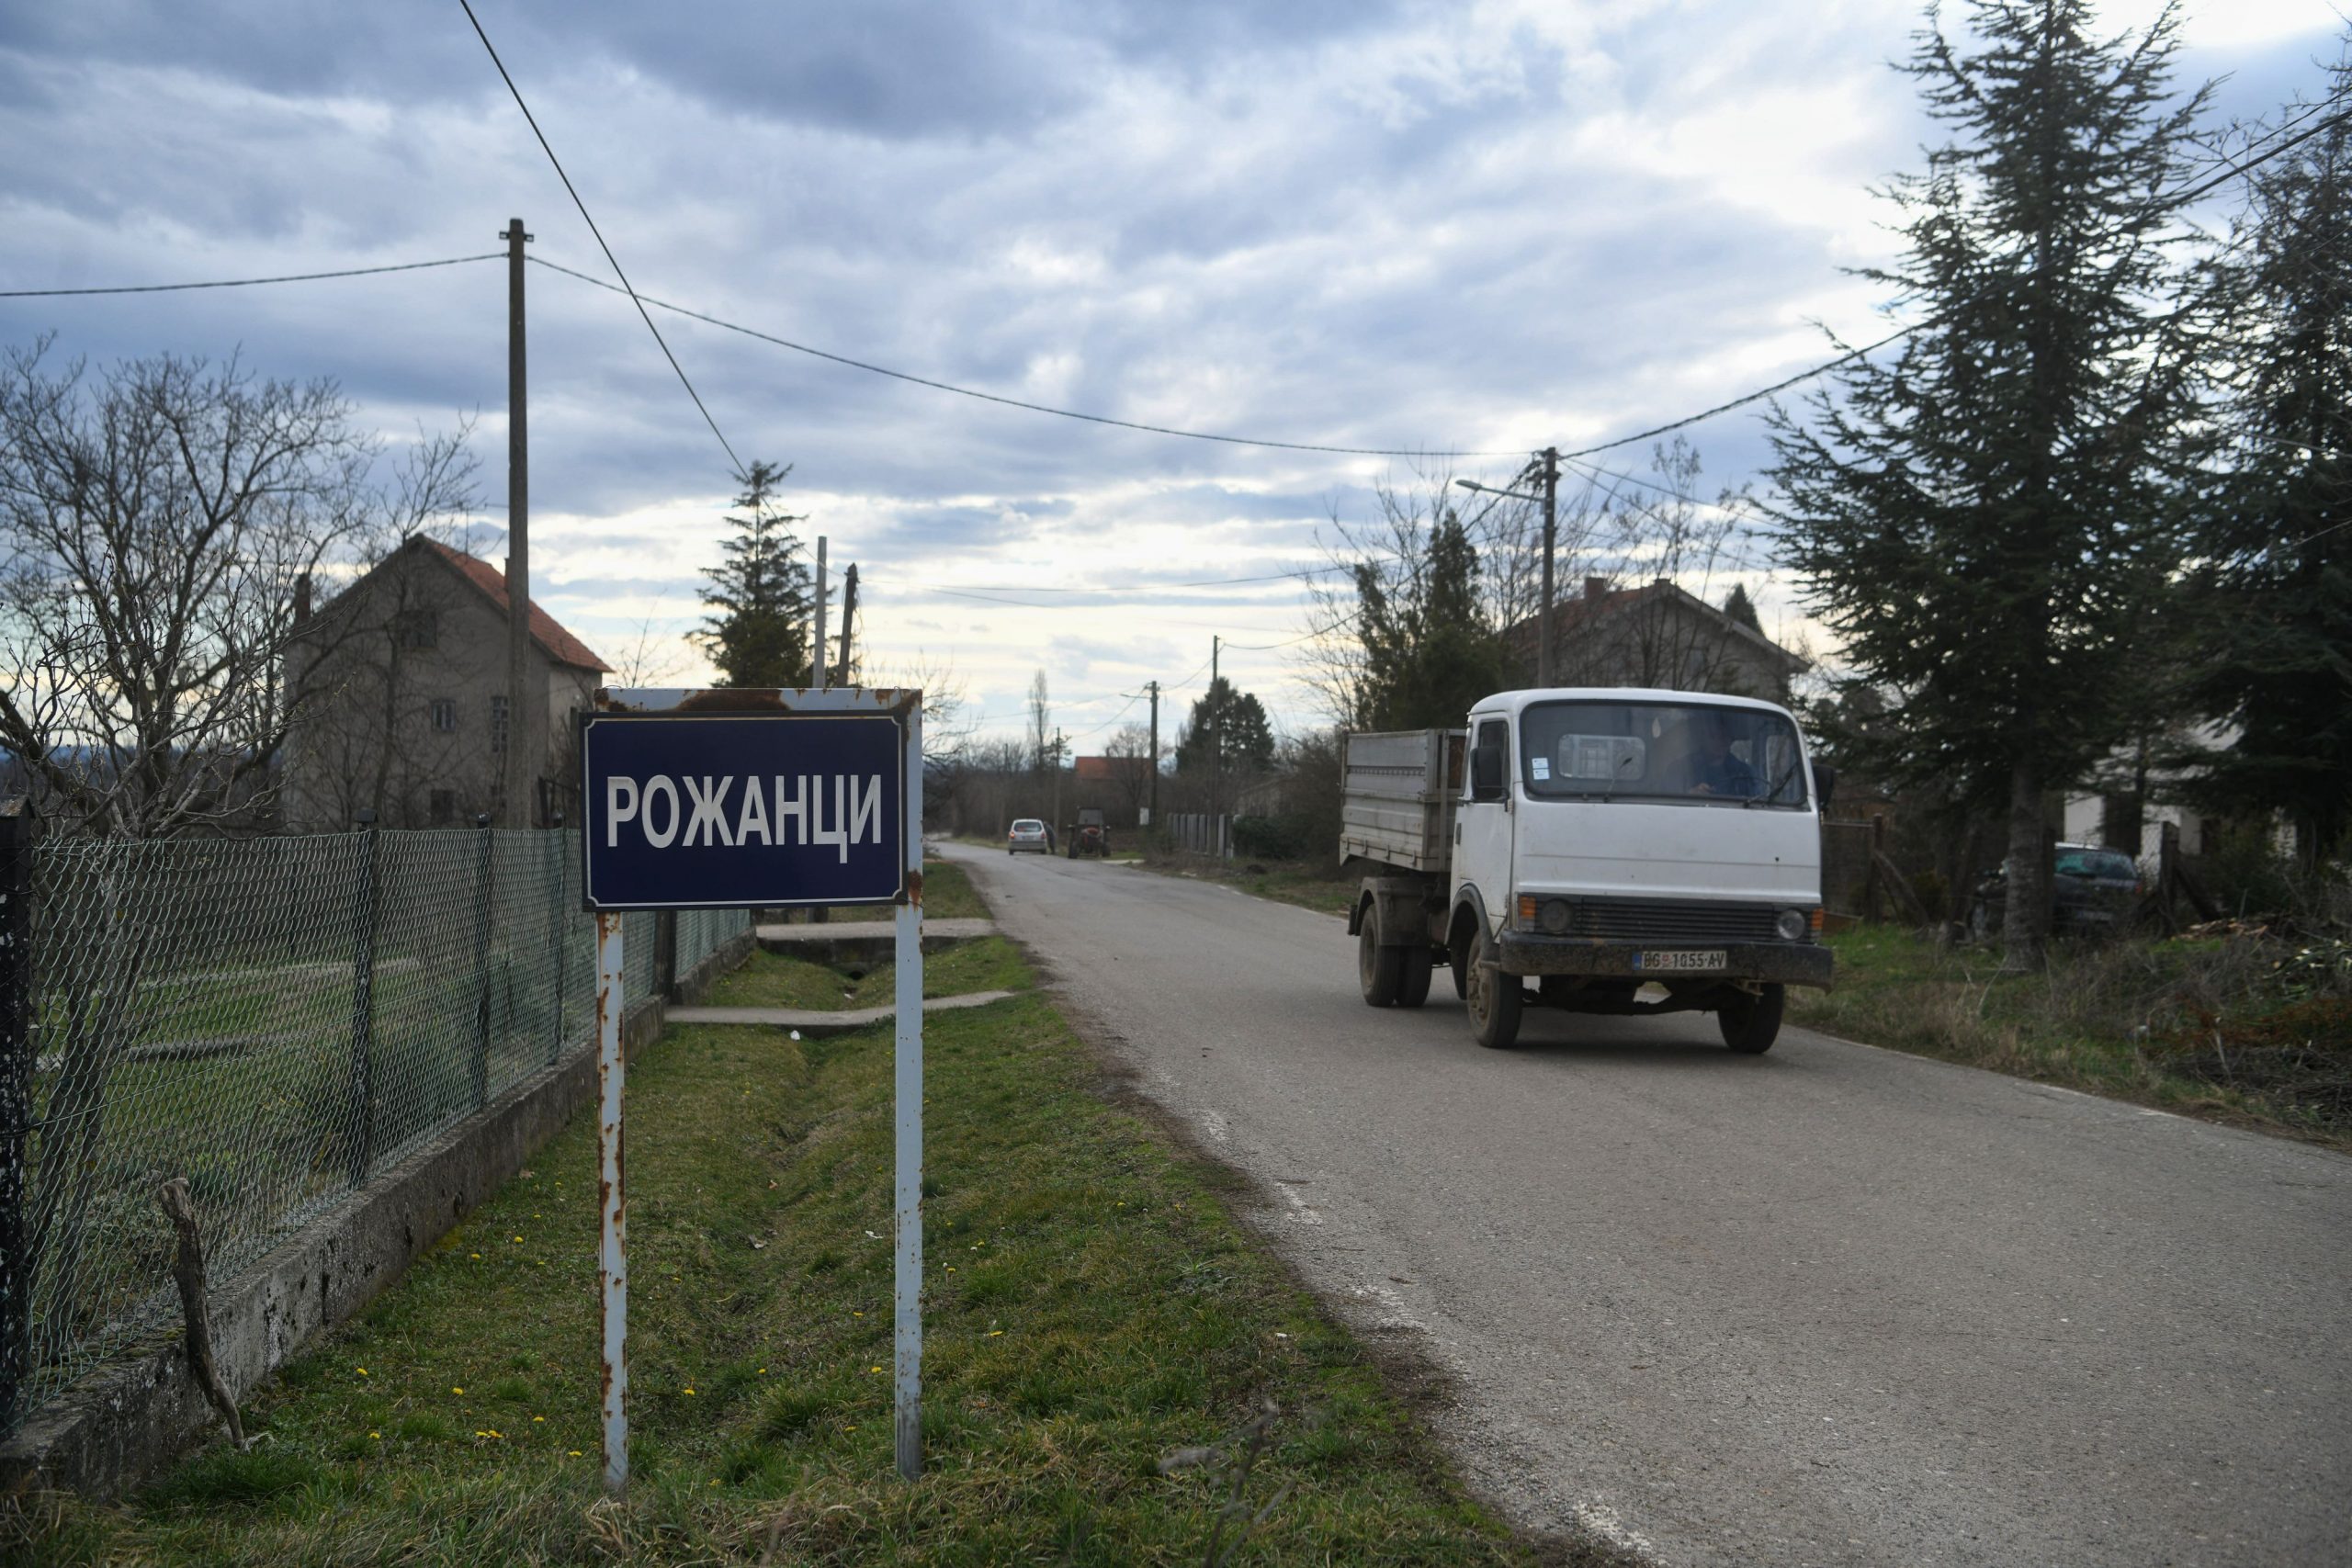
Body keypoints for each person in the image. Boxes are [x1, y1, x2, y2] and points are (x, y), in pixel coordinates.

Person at [1689, 713, 1762, 797]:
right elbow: (1676, 794)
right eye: (1712, 736)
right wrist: (1691, 794)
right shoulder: (1685, 767)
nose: (1718, 741)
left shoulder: (1745, 773)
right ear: (1703, 738)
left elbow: (1757, 800)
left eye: (1723, 736)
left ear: (1730, 740)